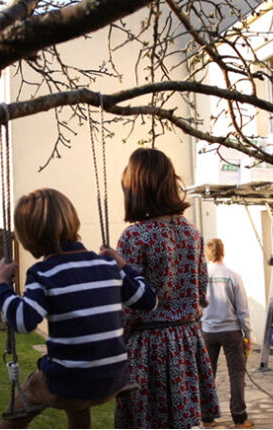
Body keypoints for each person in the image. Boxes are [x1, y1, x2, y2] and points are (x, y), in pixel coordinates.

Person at [0, 188, 158, 429]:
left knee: (27, 394)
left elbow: (22, 321)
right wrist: (124, 266)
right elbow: (149, 301)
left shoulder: (43, 273)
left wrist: (0, 286)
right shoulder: (108, 266)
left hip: (69, 383)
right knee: (78, 395)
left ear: (29, 236)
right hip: (114, 379)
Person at [114, 147, 220, 429]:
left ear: (137, 186)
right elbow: (201, 293)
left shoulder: (135, 237)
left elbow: (129, 305)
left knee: (146, 422)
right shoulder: (192, 233)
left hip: (148, 349)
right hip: (187, 342)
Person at [201, 238, 253, 429]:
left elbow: (195, 304)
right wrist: (248, 334)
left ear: (206, 254)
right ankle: (239, 417)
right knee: (236, 374)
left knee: (207, 373)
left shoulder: (201, 276)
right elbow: (242, 309)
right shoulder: (233, 276)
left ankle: (207, 417)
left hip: (207, 331)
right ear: (223, 252)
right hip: (231, 331)